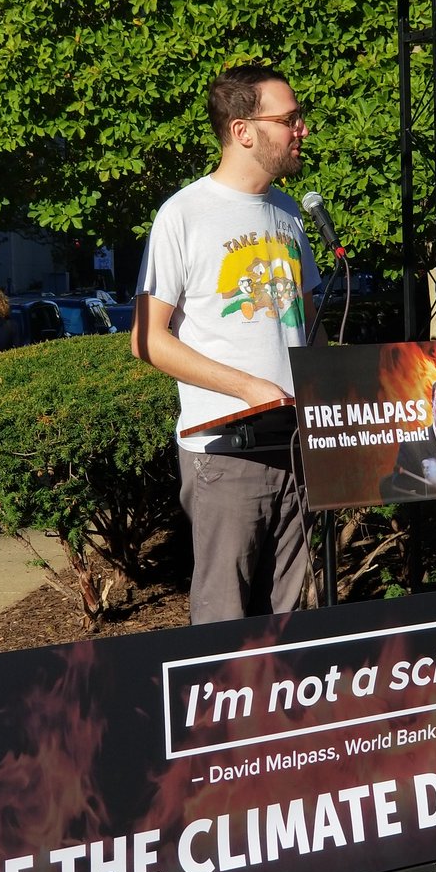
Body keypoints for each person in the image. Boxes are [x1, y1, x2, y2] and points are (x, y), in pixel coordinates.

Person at [131, 63, 322, 626]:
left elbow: (306, 324)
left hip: (299, 447)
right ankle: (225, 719)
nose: (301, 129)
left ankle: (289, 714)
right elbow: (147, 339)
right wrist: (249, 388)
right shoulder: (183, 214)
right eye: (288, 119)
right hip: (227, 451)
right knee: (225, 620)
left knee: (296, 614)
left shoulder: (290, 214)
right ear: (243, 131)